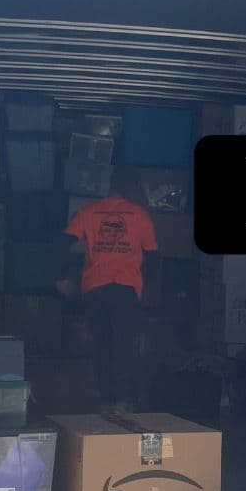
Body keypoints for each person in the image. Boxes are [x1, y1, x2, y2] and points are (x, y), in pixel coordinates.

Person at [59, 168, 158, 413]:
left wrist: (64, 276)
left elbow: (64, 244)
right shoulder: (139, 215)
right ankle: (122, 401)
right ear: (131, 188)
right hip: (125, 288)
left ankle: (106, 401)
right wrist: (146, 287)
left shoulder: (88, 212)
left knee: (102, 344)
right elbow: (153, 257)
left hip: (94, 288)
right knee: (125, 344)